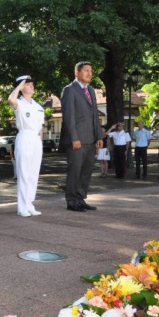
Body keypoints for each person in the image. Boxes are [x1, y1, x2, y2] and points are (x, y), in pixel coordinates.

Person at [61, 61, 103, 212]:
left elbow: (94, 115)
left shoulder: (91, 90)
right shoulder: (69, 90)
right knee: (75, 170)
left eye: (91, 71)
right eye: (86, 70)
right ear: (77, 72)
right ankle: (72, 201)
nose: (89, 73)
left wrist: (99, 136)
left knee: (86, 171)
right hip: (77, 139)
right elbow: (69, 117)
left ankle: (80, 198)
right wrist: (74, 138)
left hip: (91, 139)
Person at [8, 75, 45, 217]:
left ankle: (29, 204)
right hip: (24, 137)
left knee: (33, 173)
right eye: (27, 84)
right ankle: (22, 207)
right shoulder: (19, 102)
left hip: (36, 139)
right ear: (22, 87)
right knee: (23, 173)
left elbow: (40, 128)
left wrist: (39, 142)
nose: (31, 86)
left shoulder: (38, 106)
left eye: (31, 83)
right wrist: (19, 85)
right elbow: (10, 100)